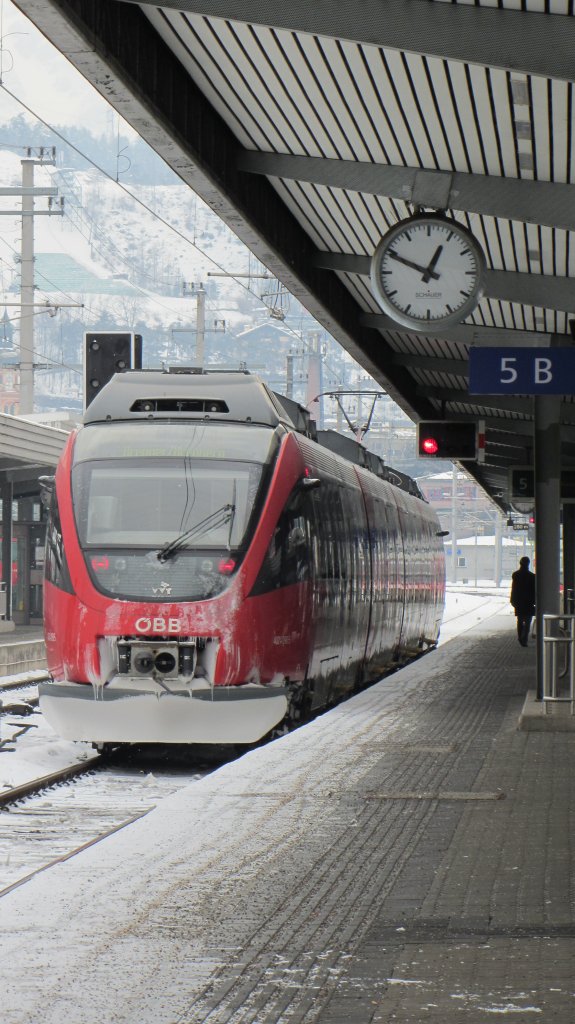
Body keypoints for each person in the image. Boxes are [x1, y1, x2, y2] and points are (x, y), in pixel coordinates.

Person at [510, 556, 536, 647]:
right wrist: (535, 601)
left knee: (520, 621)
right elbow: (534, 591)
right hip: (529, 602)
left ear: (520, 563)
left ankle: (520, 637)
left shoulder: (515, 575)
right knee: (528, 622)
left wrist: (512, 600)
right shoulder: (532, 576)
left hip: (519, 602)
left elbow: (513, 589)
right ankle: (524, 639)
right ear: (528, 564)